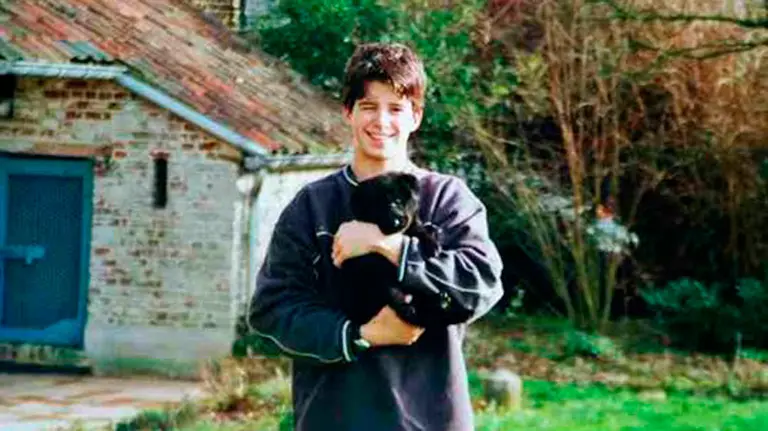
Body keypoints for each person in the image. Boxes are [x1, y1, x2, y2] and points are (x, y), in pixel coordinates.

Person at [248, 42, 504, 431]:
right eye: (368, 106)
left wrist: (389, 247)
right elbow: (272, 309)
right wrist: (361, 335)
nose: (381, 121)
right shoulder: (312, 207)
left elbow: (480, 284)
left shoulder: (447, 200)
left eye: (396, 108)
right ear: (348, 112)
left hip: (430, 418)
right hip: (334, 418)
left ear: (416, 117)